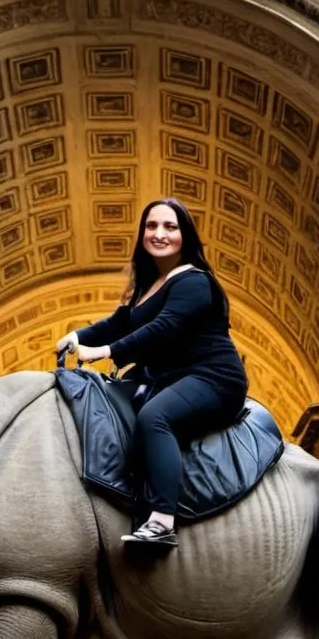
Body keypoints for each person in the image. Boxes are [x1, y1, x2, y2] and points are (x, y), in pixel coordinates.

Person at [56, 198, 248, 548]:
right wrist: (77, 336)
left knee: (154, 418)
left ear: (184, 235)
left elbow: (163, 328)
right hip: (169, 378)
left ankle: (161, 521)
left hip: (213, 378)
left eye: (170, 227)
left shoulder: (194, 280)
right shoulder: (148, 286)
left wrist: (103, 352)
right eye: (151, 226)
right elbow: (118, 323)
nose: (159, 234)